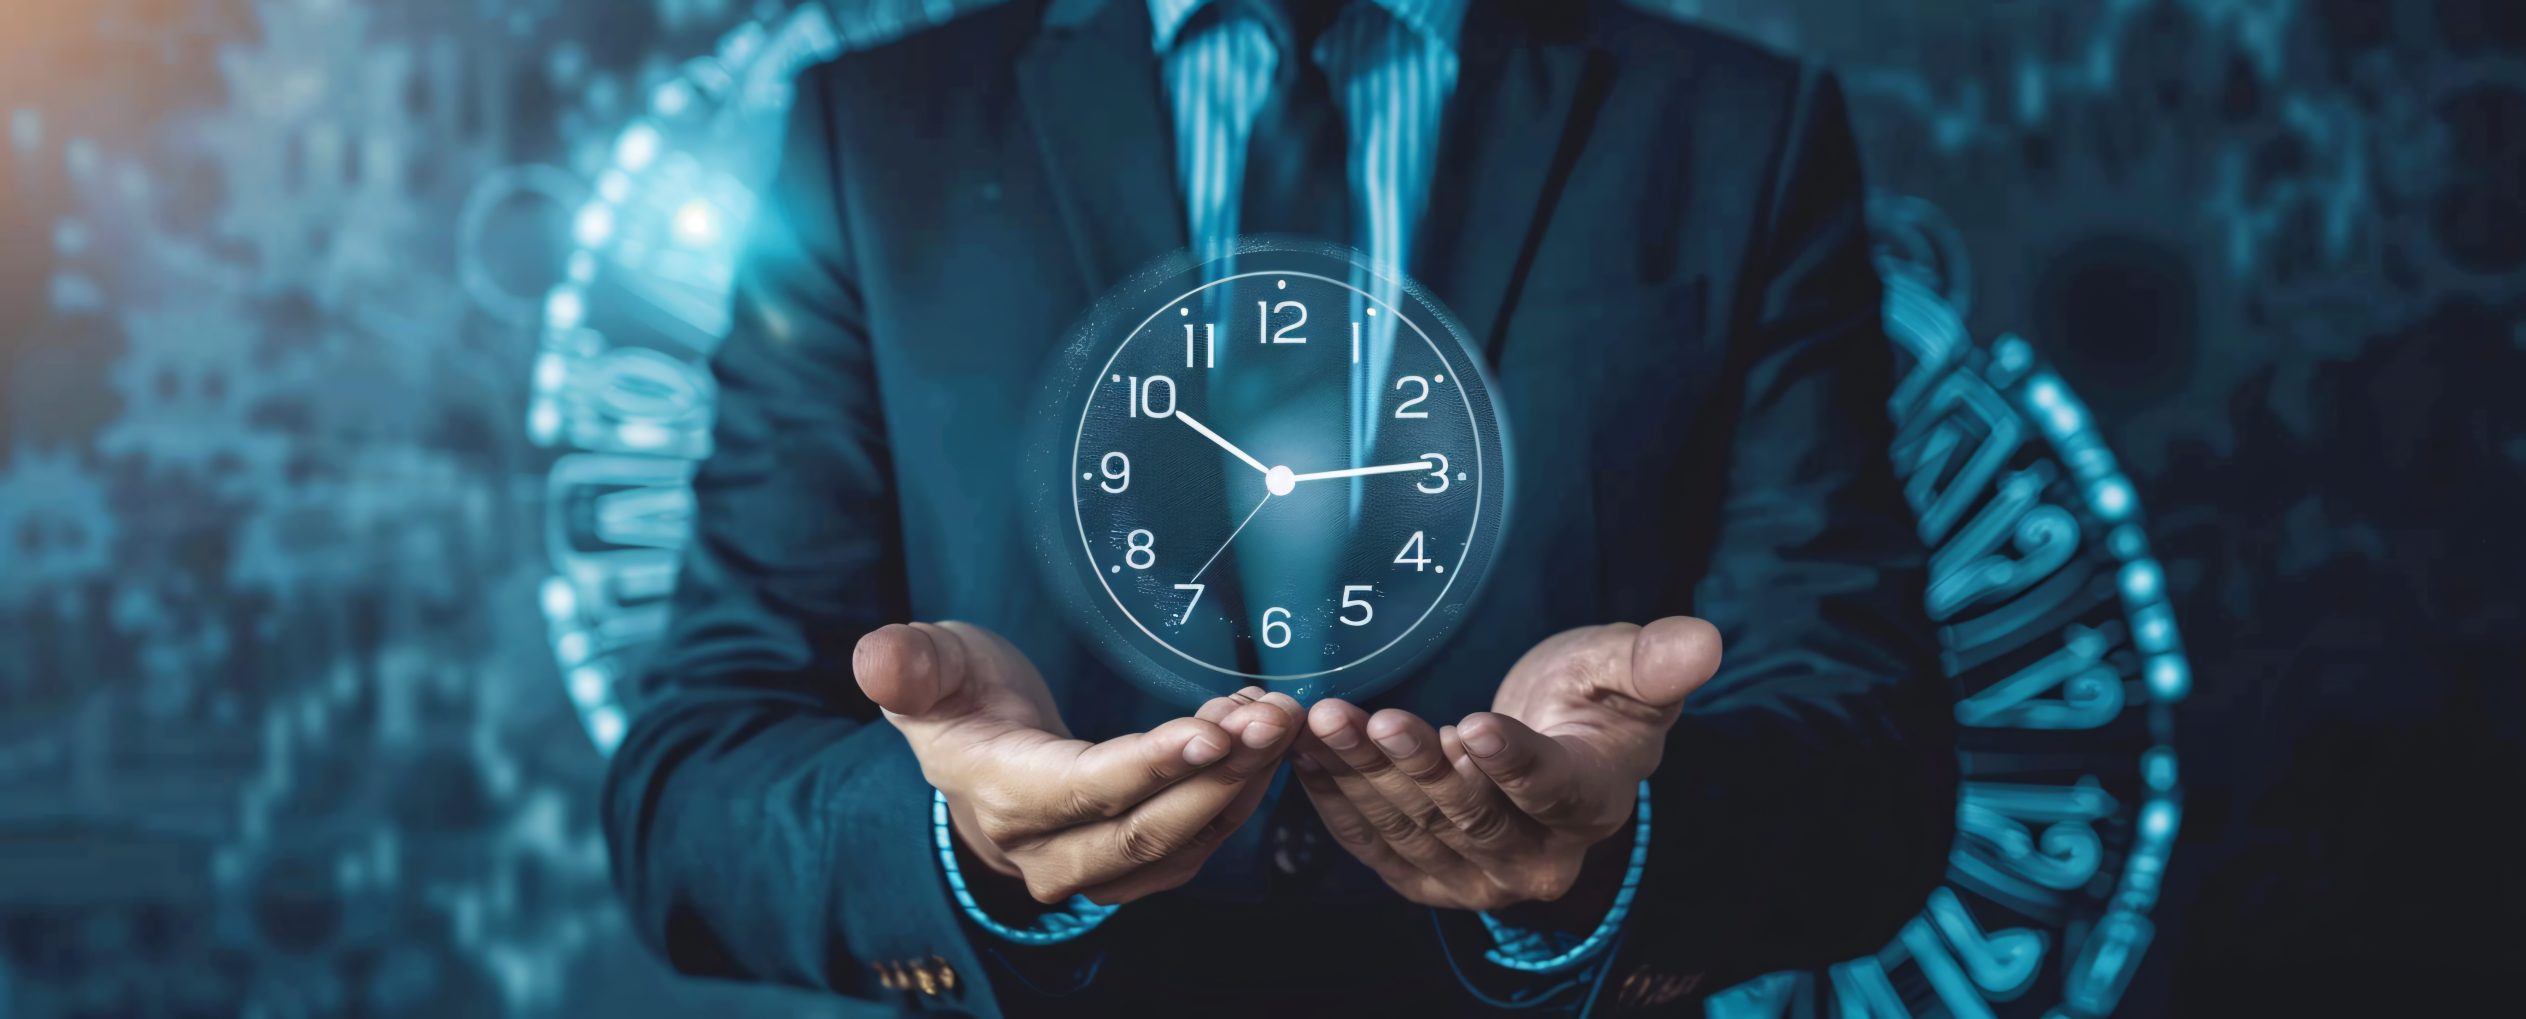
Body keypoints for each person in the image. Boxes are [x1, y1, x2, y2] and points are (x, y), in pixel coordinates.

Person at [602, 0, 1957, 1013]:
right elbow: (692, 794)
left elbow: (1872, 770)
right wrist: (967, 839)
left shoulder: (1731, 132)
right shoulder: (877, 139)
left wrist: (1616, 826)